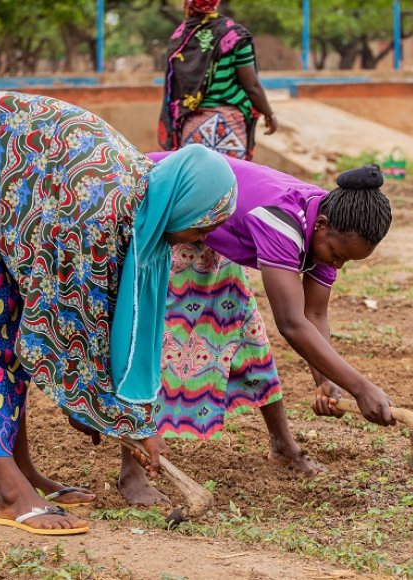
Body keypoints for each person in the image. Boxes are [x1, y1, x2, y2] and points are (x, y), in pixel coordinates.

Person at [0, 90, 237, 535]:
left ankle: (24, 472)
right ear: (182, 203)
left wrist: (130, 415)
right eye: (201, 226)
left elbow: (106, 313)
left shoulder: (144, 197)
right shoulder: (101, 209)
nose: (199, 239)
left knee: (7, 314)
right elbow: (67, 318)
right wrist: (103, 410)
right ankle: (11, 492)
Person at [111, 155, 396, 506]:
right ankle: (132, 473)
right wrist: (361, 388)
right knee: (159, 339)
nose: (337, 264)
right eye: (336, 254)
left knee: (245, 331)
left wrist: (326, 382)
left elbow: (314, 314)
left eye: (345, 261)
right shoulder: (282, 221)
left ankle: (284, 446)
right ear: (321, 225)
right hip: (171, 210)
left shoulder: (332, 225)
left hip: (212, 232)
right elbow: (292, 324)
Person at [158, 0, 277, 161]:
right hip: (230, 129)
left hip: (193, 131)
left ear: (188, 4)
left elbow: (175, 92)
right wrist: (269, 114)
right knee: (233, 183)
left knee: (196, 184)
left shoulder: (180, 39)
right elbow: (252, 86)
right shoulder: (234, 35)